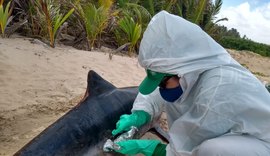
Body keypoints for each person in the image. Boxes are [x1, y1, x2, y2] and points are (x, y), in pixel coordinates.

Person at [112, 11, 270, 156]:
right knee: (172, 99)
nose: (160, 87)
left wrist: (150, 148)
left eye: (162, 82)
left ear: (183, 74)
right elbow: (160, 87)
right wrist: (141, 113)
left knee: (212, 151)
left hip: (261, 141)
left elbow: (186, 150)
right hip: (231, 125)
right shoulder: (191, 68)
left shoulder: (217, 90)